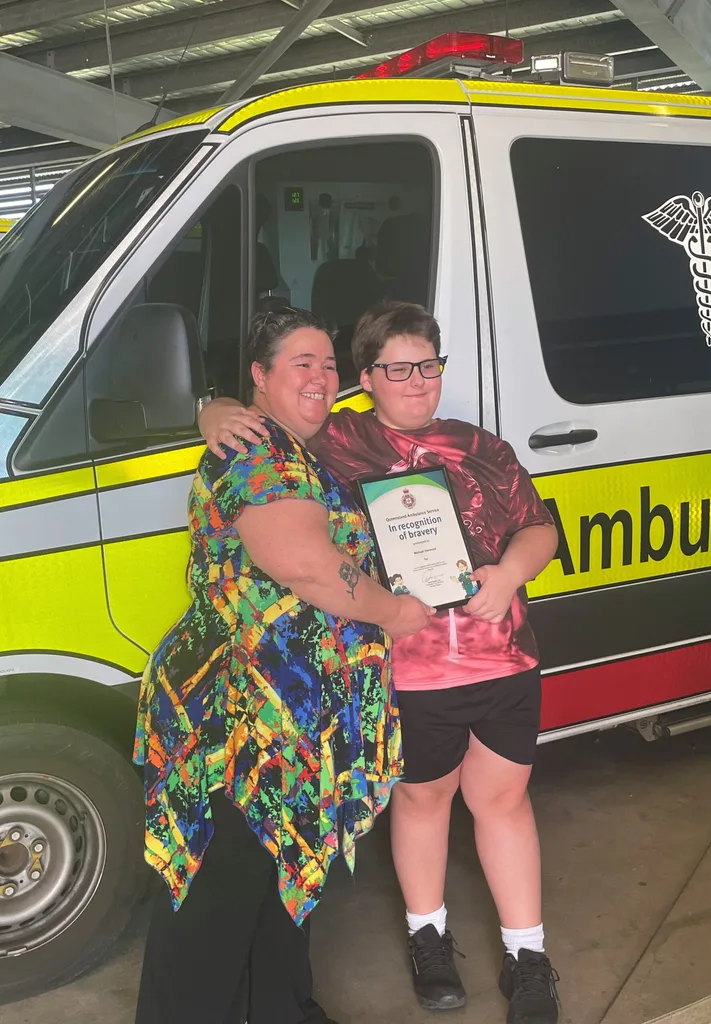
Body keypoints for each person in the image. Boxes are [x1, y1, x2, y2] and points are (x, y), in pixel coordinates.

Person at [200, 301, 561, 1024]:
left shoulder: (480, 447)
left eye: (428, 364)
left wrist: (510, 575)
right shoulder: (333, 441)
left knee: (504, 802)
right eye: (398, 368)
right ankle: (428, 938)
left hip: (502, 660)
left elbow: (539, 527)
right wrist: (214, 409)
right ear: (366, 378)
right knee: (422, 801)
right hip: (412, 670)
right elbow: (267, 417)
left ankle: (529, 956)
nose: (417, 380)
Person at [134, 307, 433, 1024]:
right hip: (237, 723)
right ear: (261, 377)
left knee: (282, 876)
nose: (323, 377)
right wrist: (397, 614)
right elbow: (308, 566)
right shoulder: (260, 452)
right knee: (216, 900)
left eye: (329, 364)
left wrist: (216, 407)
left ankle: (285, 1009)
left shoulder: (295, 444)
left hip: (286, 724)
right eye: (303, 362)